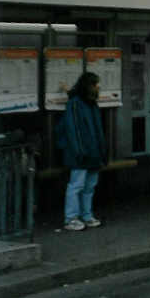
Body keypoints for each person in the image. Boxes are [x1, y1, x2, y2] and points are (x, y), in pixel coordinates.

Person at [56, 72, 109, 231]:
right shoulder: (79, 104)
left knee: (88, 186)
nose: (98, 86)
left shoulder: (85, 102)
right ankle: (71, 218)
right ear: (89, 86)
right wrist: (81, 151)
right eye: (96, 84)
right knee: (78, 185)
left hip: (91, 153)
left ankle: (85, 215)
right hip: (81, 153)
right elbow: (74, 131)